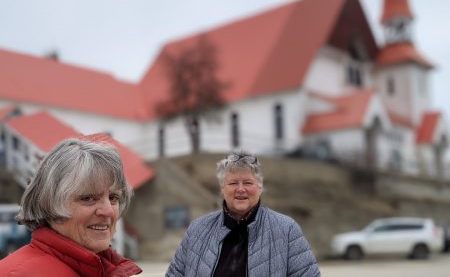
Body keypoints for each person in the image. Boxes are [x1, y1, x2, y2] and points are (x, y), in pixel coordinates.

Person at [0, 137, 142, 277]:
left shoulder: (104, 269)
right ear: (49, 203)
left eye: (113, 198)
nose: (108, 211)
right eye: (88, 198)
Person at [166, 151, 320, 277]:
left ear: (260, 187)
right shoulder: (197, 230)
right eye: (233, 183)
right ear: (222, 188)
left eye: (247, 182)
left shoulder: (287, 229)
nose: (240, 189)